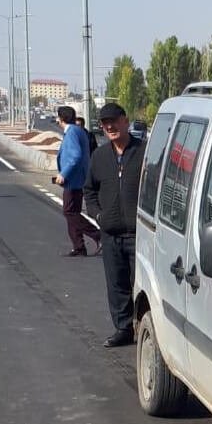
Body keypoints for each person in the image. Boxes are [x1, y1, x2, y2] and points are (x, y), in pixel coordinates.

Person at [85, 102, 146, 348]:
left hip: (139, 233)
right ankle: (123, 328)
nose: (109, 126)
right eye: (104, 123)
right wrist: (98, 216)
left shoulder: (144, 152)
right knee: (116, 284)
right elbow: (89, 191)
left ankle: (143, 328)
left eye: (114, 121)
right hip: (110, 234)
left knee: (140, 283)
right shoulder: (99, 156)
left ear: (125, 120)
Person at [54, 106, 100, 257]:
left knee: (69, 212)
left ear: (61, 119)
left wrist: (64, 174)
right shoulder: (77, 130)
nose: (56, 120)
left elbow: (75, 156)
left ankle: (98, 236)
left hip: (74, 180)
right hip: (77, 179)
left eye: (57, 117)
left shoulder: (72, 132)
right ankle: (79, 246)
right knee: (72, 212)